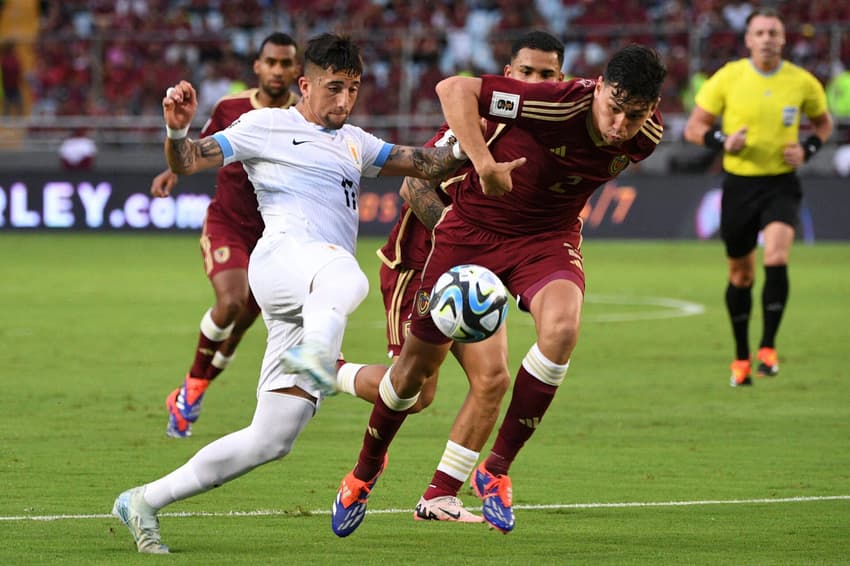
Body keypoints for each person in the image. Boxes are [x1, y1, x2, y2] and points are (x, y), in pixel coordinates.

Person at [111, 33, 471, 554]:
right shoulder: (266, 125)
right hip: (282, 262)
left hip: (312, 298)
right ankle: (323, 362)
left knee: (272, 438)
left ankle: (143, 500)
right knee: (349, 274)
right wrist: (176, 127)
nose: (344, 101)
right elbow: (189, 159)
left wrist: (479, 143)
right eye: (333, 88)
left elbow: (428, 162)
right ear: (305, 84)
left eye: (353, 89)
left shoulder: (356, 142)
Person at [331, 44, 666, 536]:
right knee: (413, 379)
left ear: (652, 110)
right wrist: (485, 164)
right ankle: (365, 469)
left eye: (634, 116)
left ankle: (492, 471)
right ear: (596, 88)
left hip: (545, 241)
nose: (620, 126)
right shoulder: (548, 103)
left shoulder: (646, 136)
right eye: (614, 109)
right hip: (469, 236)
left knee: (560, 331)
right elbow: (453, 90)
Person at [334, 30, 566, 523]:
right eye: (527, 72)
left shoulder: (555, 132)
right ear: (508, 76)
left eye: (547, 74)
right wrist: (467, 237)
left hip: (478, 275)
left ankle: (440, 494)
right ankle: (327, 371)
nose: (537, 81)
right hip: (418, 267)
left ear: (560, 79)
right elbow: (414, 185)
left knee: (494, 378)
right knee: (416, 393)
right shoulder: (480, 119)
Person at [149, 32, 301, 438]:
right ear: (257, 66)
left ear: (297, 70)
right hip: (228, 225)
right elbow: (199, 148)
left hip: (276, 238)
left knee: (235, 336)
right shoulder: (231, 107)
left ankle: (191, 389)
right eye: (272, 62)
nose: (278, 70)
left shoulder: (304, 116)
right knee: (231, 301)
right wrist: (173, 168)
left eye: (286, 63)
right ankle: (190, 394)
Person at [683, 8, 833, 387]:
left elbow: (824, 123)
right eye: (760, 32)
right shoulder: (729, 78)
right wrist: (722, 141)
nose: (767, 38)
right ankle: (740, 357)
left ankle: (767, 348)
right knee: (741, 275)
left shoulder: (801, 82)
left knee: (777, 255)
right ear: (748, 39)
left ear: (783, 39)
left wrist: (809, 149)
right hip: (740, 185)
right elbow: (694, 128)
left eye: (774, 32)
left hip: (781, 183)